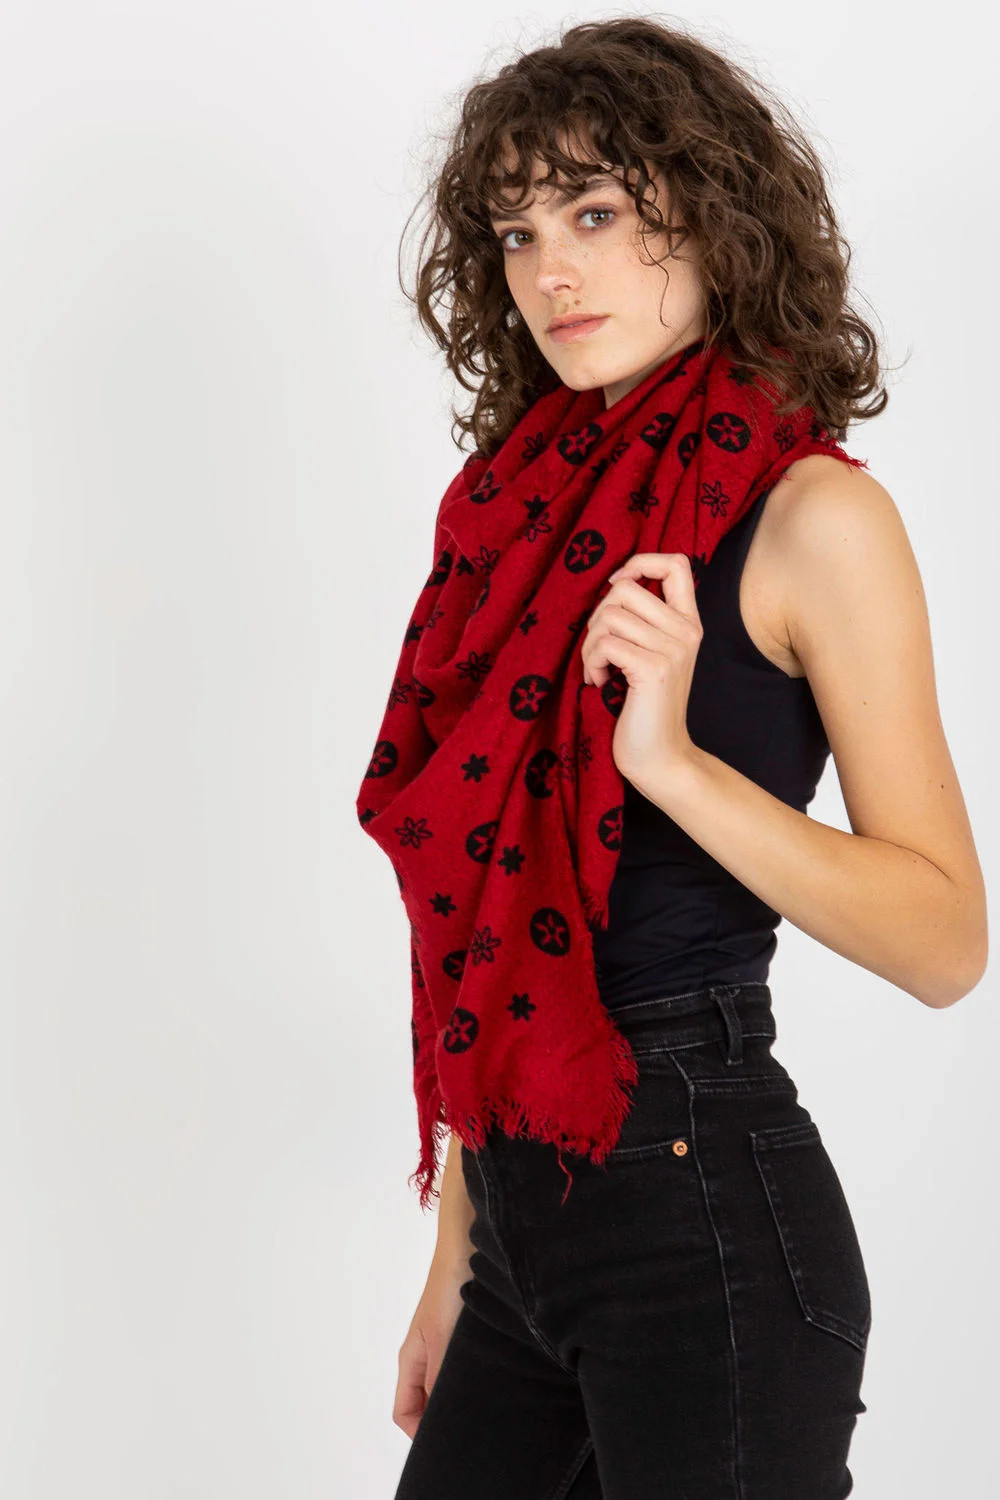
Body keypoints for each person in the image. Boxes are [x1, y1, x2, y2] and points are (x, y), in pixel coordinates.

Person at [358, 18, 988, 1498]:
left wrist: (675, 764)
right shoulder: (510, 515)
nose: (550, 272)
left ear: (716, 215)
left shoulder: (813, 519)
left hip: (701, 1216)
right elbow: (494, 933)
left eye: (595, 212)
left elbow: (947, 938)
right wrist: (462, 1256)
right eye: (517, 232)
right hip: (523, 1229)